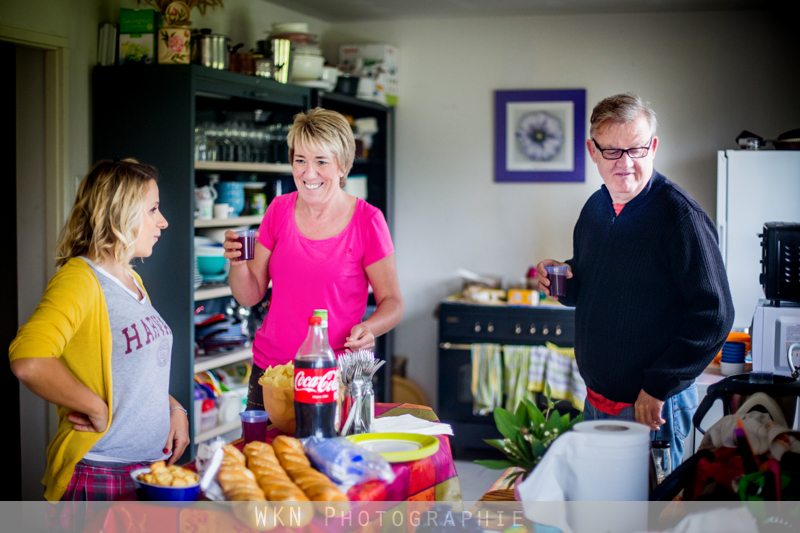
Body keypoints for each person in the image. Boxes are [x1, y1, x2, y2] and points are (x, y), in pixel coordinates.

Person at [537, 93, 734, 467]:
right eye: (612, 151)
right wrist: (562, 280)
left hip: (651, 407)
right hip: (596, 400)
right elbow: (595, 281)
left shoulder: (680, 217)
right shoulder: (596, 208)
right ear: (592, 150)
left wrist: (658, 386)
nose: (625, 163)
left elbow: (715, 314)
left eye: (636, 149)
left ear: (653, 147)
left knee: (649, 522)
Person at [9, 159, 188, 502]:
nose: (162, 222)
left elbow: (129, 371)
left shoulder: (130, 278)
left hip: (148, 468)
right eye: (153, 209)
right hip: (102, 473)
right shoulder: (79, 279)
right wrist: (95, 407)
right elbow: (29, 360)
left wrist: (173, 408)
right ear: (120, 213)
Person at [224, 108, 404, 410]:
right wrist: (238, 262)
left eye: (321, 161)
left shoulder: (368, 221)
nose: (309, 173)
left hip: (336, 375)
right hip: (272, 371)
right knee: (261, 456)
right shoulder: (278, 210)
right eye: (300, 161)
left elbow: (393, 303)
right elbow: (249, 295)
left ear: (343, 165)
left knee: (329, 458)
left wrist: (370, 328)